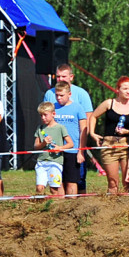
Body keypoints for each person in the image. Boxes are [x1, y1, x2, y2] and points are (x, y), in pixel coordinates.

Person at [44, 64, 94, 193]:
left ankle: (79, 205)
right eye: (58, 76)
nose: (60, 79)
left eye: (64, 76)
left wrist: (81, 149)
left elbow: (86, 123)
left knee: (77, 179)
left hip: (74, 146)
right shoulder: (49, 94)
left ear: (71, 77)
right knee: (56, 180)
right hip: (55, 148)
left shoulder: (81, 95)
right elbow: (45, 119)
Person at [88, 76, 129, 194]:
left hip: (126, 146)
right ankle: (111, 208)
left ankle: (126, 208)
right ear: (118, 89)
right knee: (112, 182)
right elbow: (93, 116)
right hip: (109, 146)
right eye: (125, 88)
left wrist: (128, 132)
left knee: (127, 181)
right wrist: (92, 133)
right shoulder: (109, 103)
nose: (128, 91)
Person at [52, 82, 88, 197]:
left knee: (71, 181)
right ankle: (60, 208)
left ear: (69, 94)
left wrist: (81, 151)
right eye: (57, 95)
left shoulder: (78, 108)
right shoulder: (53, 108)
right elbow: (44, 127)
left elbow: (84, 130)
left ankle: (71, 206)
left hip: (72, 151)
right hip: (56, 151)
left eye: (61, 95)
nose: (59, 98)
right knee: (57, 182)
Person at [33, 102, 73, 196]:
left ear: (53, 114)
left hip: (55, 162)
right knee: (39, 188)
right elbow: (36, 146)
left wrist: (60, 148)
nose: (43, 118)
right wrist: (43, 143)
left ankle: (54, 207)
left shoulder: (60, 128)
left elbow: (70, 143)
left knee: (54, 189)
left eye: (45, 115)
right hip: (41, 162)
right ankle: (40, 207)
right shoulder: (40, 129)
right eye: (41, 115)